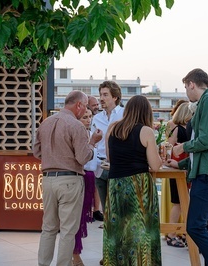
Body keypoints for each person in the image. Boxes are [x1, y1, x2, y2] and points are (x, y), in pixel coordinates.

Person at [168, 68, 208, 265]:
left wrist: (182, 147)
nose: (186, 92)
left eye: (186, 87)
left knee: (194, 226)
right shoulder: (207, 101)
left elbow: (206, 140)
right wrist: (181, 163)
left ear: (192, 84)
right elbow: (204, 147)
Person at [34, 90, 102, 266]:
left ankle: (43, 263)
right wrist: (93, 143)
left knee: (48, 228)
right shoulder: (76, 125)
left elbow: (36, 151)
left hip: (48, 179)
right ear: (78, 105)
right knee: (67, 230)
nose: (86, 109)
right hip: (70, 180)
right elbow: (82, 157)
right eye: (85, 105)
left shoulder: (45, 123)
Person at [103, 95, 162, 265]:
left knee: (118, 230)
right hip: (138, 185)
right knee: (141, 231)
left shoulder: (112, 128)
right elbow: (155, 165)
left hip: (115, 185)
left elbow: (109, 157)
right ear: (146, 112)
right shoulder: (146, 131)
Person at [91, 80, 124, 265]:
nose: (101, 98)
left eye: (105, 95)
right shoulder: (97, 118)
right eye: (100, 94)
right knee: (107, 214)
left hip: (118, 168)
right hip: (100, 168)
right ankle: (108, 255)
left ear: (115, 97)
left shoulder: (124, 115)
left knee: (117, 214)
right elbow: (93, 141)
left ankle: (119, 254)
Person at [72, 107, 98, 266]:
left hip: (90, 178)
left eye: (90, 117)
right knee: (75, 219)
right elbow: (83, 159)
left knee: (80, 219)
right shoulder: (79, 135)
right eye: (84, 117)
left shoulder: (89, 134)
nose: (89, 120)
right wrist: (92, 143)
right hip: (80, 177)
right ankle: (74, 254)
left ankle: (75, 253)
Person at [165, 101, 192, 248]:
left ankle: (184, 233)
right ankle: (171, 234)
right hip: (176, 166)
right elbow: (169, 145)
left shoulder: (188, 127)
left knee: (185, 202)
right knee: (178, 202)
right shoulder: (173, 125)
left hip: (187, 166)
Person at [87, 95, 103, 222]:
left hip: (98, 156)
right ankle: (88, 211)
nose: (97, 107)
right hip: (87, 159)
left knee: (96, 185)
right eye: (94, 105)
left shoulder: (99, 118)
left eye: (97, 104)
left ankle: (96, 210)